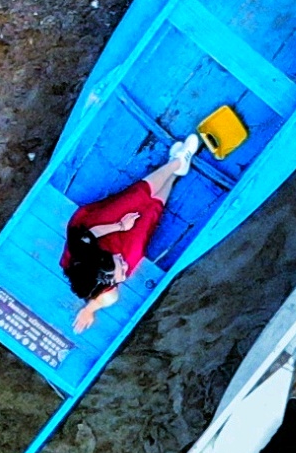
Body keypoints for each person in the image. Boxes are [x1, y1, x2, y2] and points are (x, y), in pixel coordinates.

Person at [62, 133, 203, 330]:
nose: (123, 263)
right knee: (149, 217)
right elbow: (106, 298)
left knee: (136, 196)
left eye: (119, 263)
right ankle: (173, 174)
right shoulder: (108, 287)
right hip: (119, 245)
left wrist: (119, 226)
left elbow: (91, 233)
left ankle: (177, 162)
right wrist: (89, 309)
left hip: (99, 229)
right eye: (122, 272)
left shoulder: (79, 250)